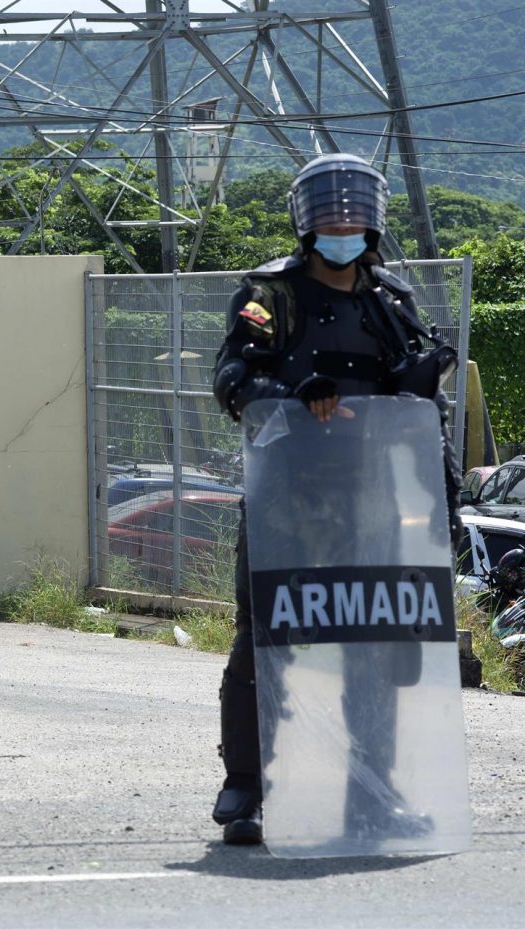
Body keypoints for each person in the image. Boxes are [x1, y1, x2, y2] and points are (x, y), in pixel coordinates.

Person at [209, 154, 461, 846]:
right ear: (307, 222)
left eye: (354, 213)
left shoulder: (392, 302)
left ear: (373, 222)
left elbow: (424, 406)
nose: (343, 224)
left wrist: (448, 501)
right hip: (285, 501)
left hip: (369, 503)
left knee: (378, 651)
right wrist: (288, 396)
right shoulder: (270, 293)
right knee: (265, 644)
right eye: (330, 213)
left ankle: (374, 796)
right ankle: (248, 789)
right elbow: (232, 376)